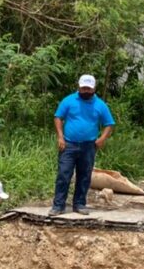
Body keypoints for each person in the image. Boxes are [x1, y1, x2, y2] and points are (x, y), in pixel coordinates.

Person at [49, 74, 115, 215]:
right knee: (63, 175)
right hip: (68, 145)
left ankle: (79, 204)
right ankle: (58, 205)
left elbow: (109, 124)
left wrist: (102, 139)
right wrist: (60, 137)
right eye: (83, 88)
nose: (85, 91)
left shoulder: (100, 105)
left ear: (94, 88)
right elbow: (58, 117)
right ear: (79, 86)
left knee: (84, 176)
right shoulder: (69, 100)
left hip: (89, 146)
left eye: (88, 89)